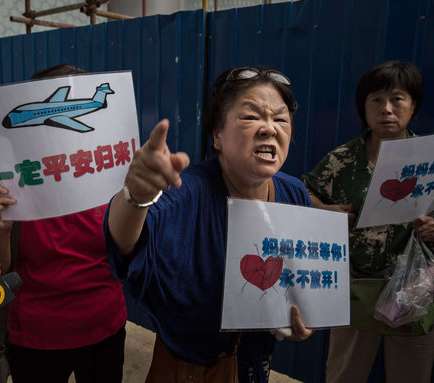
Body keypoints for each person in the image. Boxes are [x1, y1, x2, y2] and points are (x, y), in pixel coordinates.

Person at [104, 66, 313, 383]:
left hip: (255, 364)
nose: (270, 129)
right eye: (251, 116)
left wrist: (300, 317)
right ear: (217, 135)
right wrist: (136, 195)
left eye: (280, 119)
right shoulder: (183, 193)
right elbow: (124, 243)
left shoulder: (293, 193)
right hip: (189, 369)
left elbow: (298, 280)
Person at [0, 64, 128, 383]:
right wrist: (2, 229)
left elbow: (131, 252)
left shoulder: (114, 176)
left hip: (106, 324)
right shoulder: (9, 182)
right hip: (36, 335)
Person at [302, 61, 434, 383]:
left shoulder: (428, 158)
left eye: (397, 99)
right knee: (344, 374)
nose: (386, 109)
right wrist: (325, 210)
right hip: (354, 288)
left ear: (413, 105)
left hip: (414, 288)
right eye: (376, 100)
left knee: (411, 375)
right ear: (364, 107)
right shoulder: (343, 159)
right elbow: (302, 193)